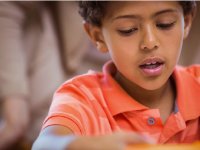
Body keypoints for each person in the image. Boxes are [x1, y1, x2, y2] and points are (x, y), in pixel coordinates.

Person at [32, 1, 200, 150]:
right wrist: (82, 145)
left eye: (165, 24)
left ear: (186, 23)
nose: (149, 43)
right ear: (97, 36)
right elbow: (45, 144)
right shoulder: (81, 97)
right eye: (128, 30)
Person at [0, 1, 93, 150]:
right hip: (39, 105)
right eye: (127, 30)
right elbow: (7, 6)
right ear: (97, 35)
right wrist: (14, 105)